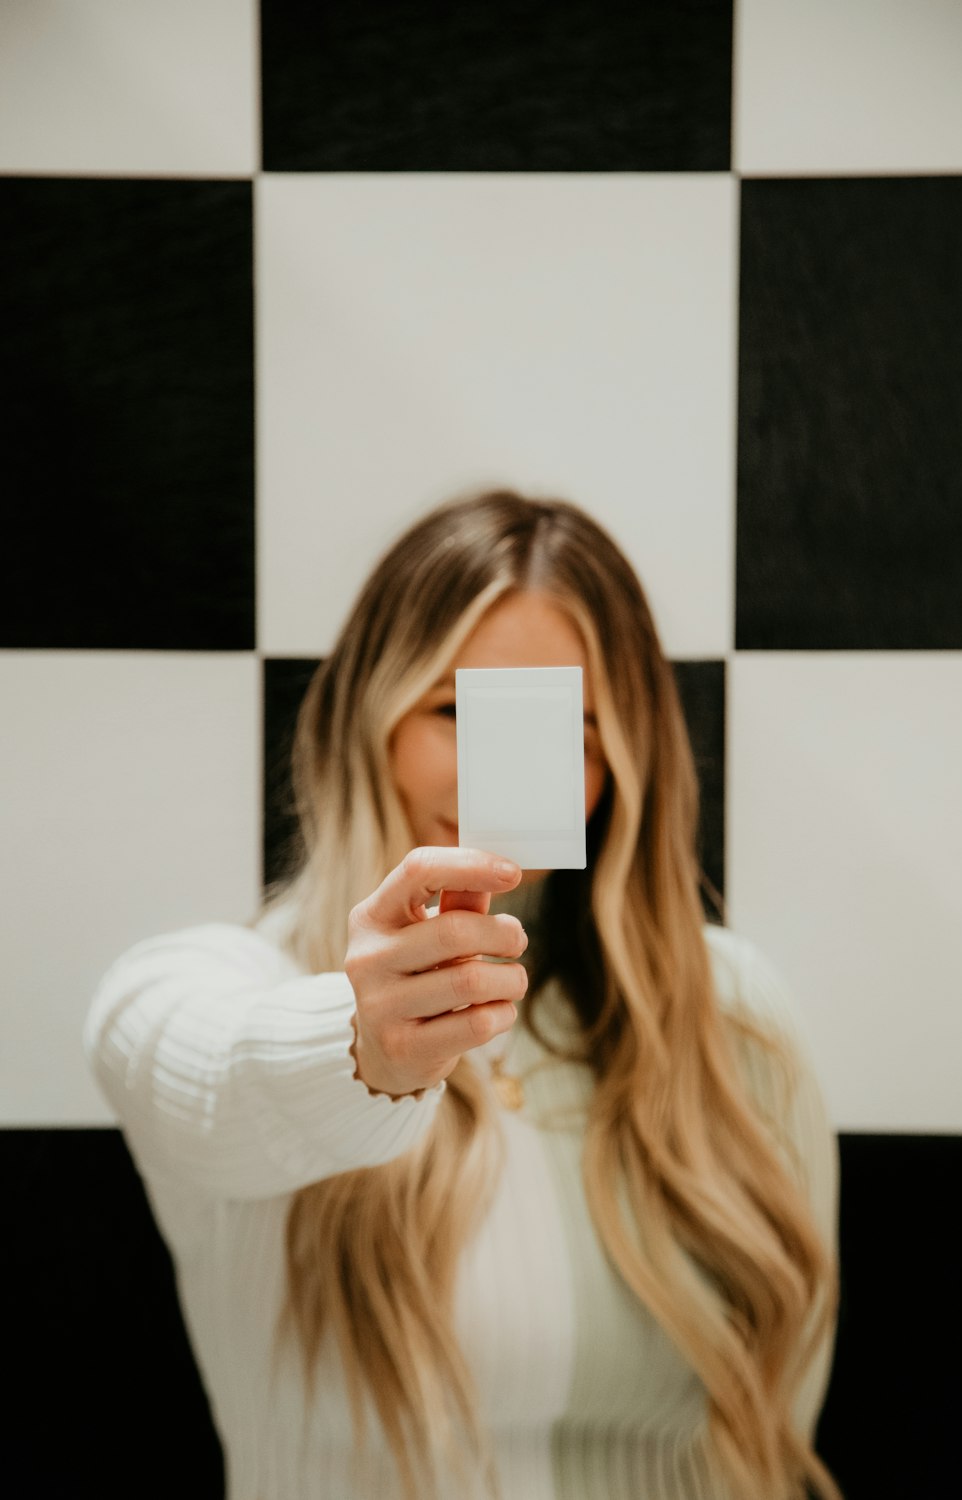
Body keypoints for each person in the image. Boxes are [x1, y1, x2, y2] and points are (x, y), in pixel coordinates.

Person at [85, 489, 841, 1500]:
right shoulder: (216, 984)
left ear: (622, 761)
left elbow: (775, 1418)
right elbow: (200, 1071)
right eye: (453, 712)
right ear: (371, 717)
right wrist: (360, 1052)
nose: (493, 778)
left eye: (558, 731)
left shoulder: (730, 1015)